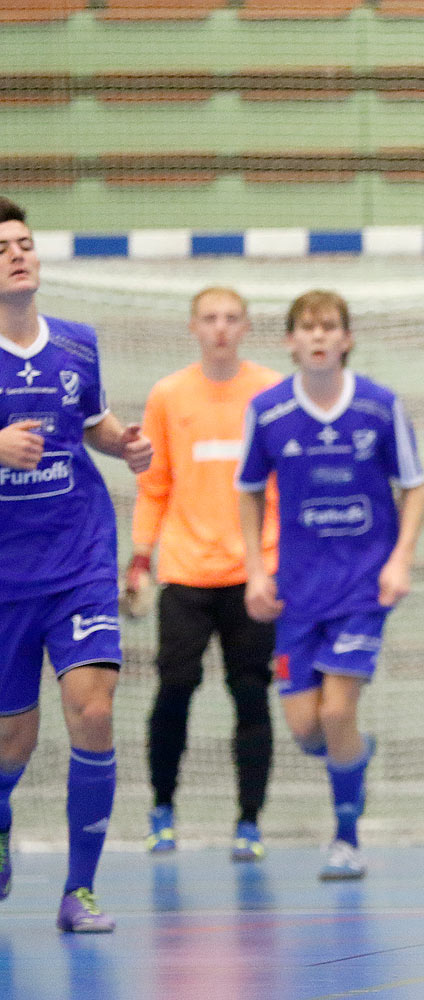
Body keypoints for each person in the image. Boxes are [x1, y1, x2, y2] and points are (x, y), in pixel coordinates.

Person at [236, 290, 424, 881]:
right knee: (306, 728)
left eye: (329, 327)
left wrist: (400, 559)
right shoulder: (267, 411)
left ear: (346, 338)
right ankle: (352, 770)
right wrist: (255, 569)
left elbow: (414, 486)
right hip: (296, 592)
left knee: (339, 712)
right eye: (306, 327)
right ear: (290, 341)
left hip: (361, 590)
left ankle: (346, 838)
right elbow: (246, 489)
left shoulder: (379, 406)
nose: (318, 336)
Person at [0, 196, 153, 932]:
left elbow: (90, 422)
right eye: (3, 247)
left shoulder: (77, 344)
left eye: (24, 242)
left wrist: (124, 443)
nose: (18, 254)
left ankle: (79, 891)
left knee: (93, 708)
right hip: (5, 576)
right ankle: (1, 817)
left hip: (80, 555)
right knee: (12, 742)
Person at [128, 287, 282, 861]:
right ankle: (162, 809)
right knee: (174, 690)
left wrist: (276, 563)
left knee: (250, 695)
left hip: (253, 575)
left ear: (246, 327)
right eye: (210, 319)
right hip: (185, 574)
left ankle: (248, 822)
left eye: (231, 319)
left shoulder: (270, 392)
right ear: (193, 327)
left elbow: (284, 485)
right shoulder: (168, 395)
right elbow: (154, 486)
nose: (220, 328)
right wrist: (140, 558)